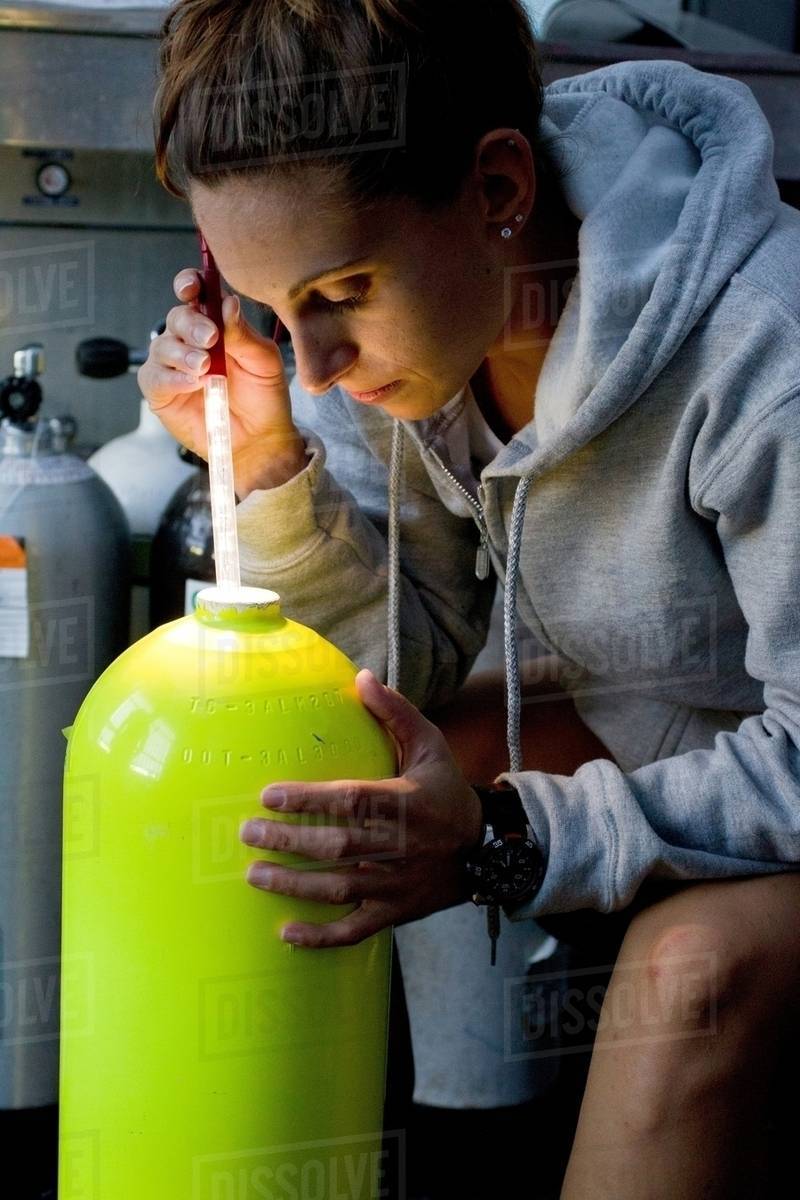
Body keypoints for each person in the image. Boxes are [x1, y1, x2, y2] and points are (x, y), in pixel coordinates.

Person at [139, 2, 800, 1195]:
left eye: (341, 288)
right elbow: (411, 665)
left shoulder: (766, 353)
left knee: (685, 973)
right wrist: (270, 466)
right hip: (683, 750)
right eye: (272, 310)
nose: (314, 365)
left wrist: (510, 837)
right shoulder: (409, 340)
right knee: (327, 793)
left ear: (496, 185)